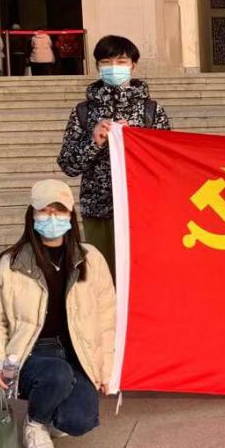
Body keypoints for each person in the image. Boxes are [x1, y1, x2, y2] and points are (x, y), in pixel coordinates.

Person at [0, 179, 116, 448]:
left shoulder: (91, 259)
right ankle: (35, 423)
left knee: (80, 420)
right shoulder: (10, 264)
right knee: (56, 374)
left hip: (77, 351)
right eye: (45, 211)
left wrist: (106, 368)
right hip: (31, 354)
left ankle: (52, 409)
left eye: (59, 211)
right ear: (32, 215)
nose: (52, 218)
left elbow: (106, 316)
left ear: (70, 216)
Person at [57, 35, 171, 276]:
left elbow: (165, 161)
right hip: (99, 209)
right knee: (103, 275)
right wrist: (94, 141)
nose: (113, 68)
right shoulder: (83, 112)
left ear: (133, 66)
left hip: (142, 209)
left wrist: (136, 140)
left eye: (121, 62)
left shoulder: (151, 111)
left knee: (142, 275)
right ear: (97, 66)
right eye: (106, 62)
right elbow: (69, 164)